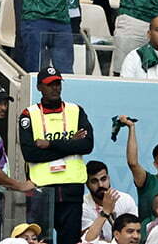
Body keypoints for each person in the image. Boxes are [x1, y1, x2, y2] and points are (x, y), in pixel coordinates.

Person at [17, 66, 93, 244]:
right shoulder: (29, 114)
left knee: (70, 240)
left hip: (71, 189)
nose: (55, 88)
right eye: (50, 84)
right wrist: (70, 144)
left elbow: (87, 145)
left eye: (58, 83)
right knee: (41, 241)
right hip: (42, 188)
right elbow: (30, 153)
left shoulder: (76, 111)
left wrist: (50, 144)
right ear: (39, 87)